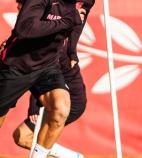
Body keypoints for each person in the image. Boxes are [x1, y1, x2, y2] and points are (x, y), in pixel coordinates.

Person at [0, 0, 86, 157]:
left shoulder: (82, 2)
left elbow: (80, 18)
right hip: (16, 67)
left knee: (61, 109)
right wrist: (66, 21)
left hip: (48, 67)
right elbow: (24, 28)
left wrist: (72, 51)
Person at [11, 0, 95, 157]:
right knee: (21, 136)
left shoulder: (53, 42)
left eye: (22, 6)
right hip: (54, 97)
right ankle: (72, 157)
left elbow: (39, 76)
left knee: (26, 136)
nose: (18, 9)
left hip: (71, 100)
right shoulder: (41, 32)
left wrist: (35, 107)